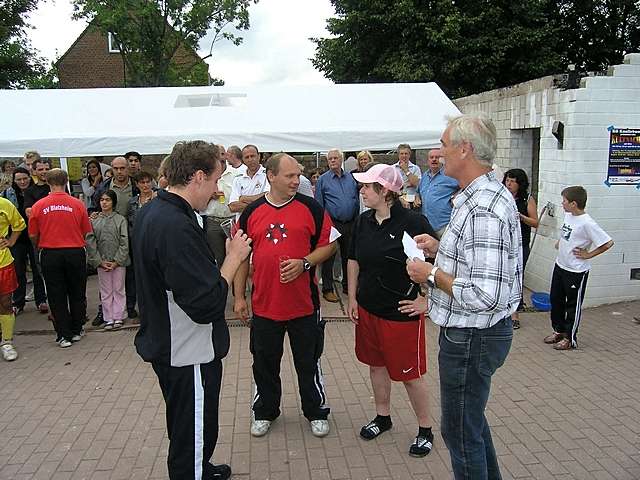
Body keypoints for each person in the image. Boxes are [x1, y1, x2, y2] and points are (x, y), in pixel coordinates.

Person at [406, 114, 522, 480]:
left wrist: (432, 274)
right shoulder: (481, 196)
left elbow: (484, 294)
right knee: (470, 423)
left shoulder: (482, 205)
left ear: (464, 149)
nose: (436, 152)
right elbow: (481, 261)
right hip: (475, 334)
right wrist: (442, 249)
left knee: (459, 431)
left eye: (442, 144)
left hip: (472, 335)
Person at [134, 141, 251, 480]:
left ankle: (201, 467)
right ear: (198, 176)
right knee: (194, 432)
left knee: (188, 426)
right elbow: (206, 304)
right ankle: (194, 470)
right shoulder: (175, 225)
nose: (218, 190)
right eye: (216, 180)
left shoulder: (156, 211)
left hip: (172, 345)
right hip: (187, 351)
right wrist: (233, 258)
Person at [233, 153, 337, 439]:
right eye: (290, 175)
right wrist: (239, 297)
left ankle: (316, 411)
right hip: (265, 305)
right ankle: (265, 411)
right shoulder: (252, 212)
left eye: (298, 175)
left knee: (308, 361)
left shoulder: (311, 208)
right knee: (264, 363)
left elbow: (330, 245)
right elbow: (240, 257)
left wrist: (305, 262)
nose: (296, 180)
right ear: (271, 176)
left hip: (304, 305)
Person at [347, 163, 436, 457]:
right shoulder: (363, 222)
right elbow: (353, 260)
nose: (361, 191)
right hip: (369, 310)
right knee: (376, 366)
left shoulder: (414, 223)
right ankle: (382, 417)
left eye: (366, 187)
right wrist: (352, 298)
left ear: (385, 191)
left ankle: (425, 429)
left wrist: (427, 301)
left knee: (410, 376)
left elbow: (442, 264)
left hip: (401, 314)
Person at [29, 169, 92, 348]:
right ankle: (77, 328)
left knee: (56, 294)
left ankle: (63, 335)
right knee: (77, 291)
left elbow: (33, 233)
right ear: (66, 181)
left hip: (50, 252)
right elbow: (85, 230)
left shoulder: (39, 205)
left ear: (47, 182)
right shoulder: (77, 204)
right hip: (75, 251)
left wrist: (40, 242)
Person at [544, 186, 613, 350]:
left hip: (576, 271)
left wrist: (588, 255)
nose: (562, 203)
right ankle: (558, 330)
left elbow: (607, 243)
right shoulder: (569, 215)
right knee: (556, 299)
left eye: (565, 201)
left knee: (572, 305)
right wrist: (561, 242)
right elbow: (567, 234)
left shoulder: (587, 223)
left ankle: (570, 338)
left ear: (574, 203)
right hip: (561, 265)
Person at [314, 148, 359, 302]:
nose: (332, 161)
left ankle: (348, 285)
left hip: (350, 223)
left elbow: (356, 199)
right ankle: (327, 289)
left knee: (349, 256)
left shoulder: (351, 178)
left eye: (335, 158)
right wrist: (324, 225)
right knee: (329, 256)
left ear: (341, 160)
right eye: (330, 159)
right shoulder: (323, 180)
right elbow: (319, 204)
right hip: (332, 223)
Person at [2, 168, 48, 315]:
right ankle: (18, 301)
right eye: (19, 179)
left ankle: (41, 300)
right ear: (14, 181)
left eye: (25, 178)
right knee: (18, 270)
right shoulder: (8, 195)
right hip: (17, 240)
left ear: (30, 177)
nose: (22, 182)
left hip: (34, 236)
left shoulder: (36, 191)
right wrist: (10, 241)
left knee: (37, 269)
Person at [87, 190, 130, 330]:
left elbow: (125, 242)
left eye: (107, 200)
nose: (104, 202)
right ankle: (108, 317)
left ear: (113, 202)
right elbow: (90, 241)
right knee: (106, 291)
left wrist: (117, 261)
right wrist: (99, 261)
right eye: (102, 200)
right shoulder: (94, 221)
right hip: (102, 262)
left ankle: (119, 316)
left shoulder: (120, 220)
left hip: (118, 262)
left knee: (119, 289)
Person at [503, 168, 539, 329]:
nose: (509, 184)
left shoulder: (527, 199)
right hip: (504, 243)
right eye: (507, 180)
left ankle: (515, 314)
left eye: (513, 181)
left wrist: (521, 217)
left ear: (520, 183)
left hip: (520, 244)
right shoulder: (502, 197)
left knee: (516, 277)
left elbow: (535, 222)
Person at [200, 150, 242, 266]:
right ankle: (222, 282)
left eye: (223, 154)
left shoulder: (236, 174)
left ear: (227, 155)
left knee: (235, 256)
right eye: (217, 154)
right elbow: (199, 201)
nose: (220, 157)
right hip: (213, 221)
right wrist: (210, 196)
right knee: (218, 258)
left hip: (232, 219)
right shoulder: (205, 175)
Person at [0, 196, 26, 361]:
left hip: (3, 263)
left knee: (5, 303)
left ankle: (7, 342)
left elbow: (19, 224)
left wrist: (11, 241)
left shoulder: (4, 204)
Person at [416, 148, 459, 239]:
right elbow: (418, 191)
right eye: (431, 157)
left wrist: (457, 194)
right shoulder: (425, 176)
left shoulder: (449, 175)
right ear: (428, 160)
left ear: (442, 160)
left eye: (437, 157)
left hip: (444, 226)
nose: (434, 159)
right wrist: (417, 197)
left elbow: (466, 186)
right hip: (427, 226)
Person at [228, 144, 270, 217]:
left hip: (262, 220)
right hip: (243, 224)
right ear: (243, 160)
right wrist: (258, 203)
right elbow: (232, 207)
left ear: (259, 156)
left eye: (252, 156)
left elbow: (268, 198)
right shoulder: (238, 179)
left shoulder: (268, 174)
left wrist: (243, 198)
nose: (250, 159)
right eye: (247, 157)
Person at [393, 144, 421, 209]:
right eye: (402, 153)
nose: (404, 156)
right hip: (397, 201)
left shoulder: (415, 168)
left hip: (411, 202)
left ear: (409, 155)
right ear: (398, 155)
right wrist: (408, 182)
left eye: (406, 153)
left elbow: (417, 184)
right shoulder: (392, 168)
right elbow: (391, 185)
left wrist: (406, 170)